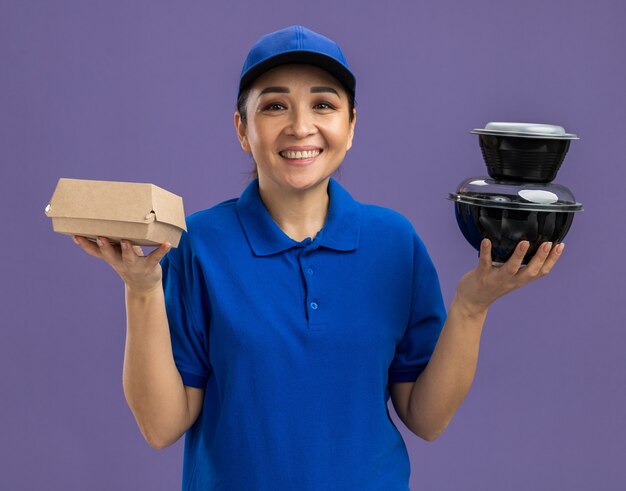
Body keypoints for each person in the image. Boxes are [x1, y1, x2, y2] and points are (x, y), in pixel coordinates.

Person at [73, 25, 565, 491]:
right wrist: (140, 289)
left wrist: (472, 306)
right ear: (242, 129)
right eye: (275, 106)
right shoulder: (200, 243)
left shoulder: (394, 243)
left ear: (351, 127)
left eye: (324, 104)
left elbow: (426, 418)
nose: (300, 126)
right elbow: (161, 427)